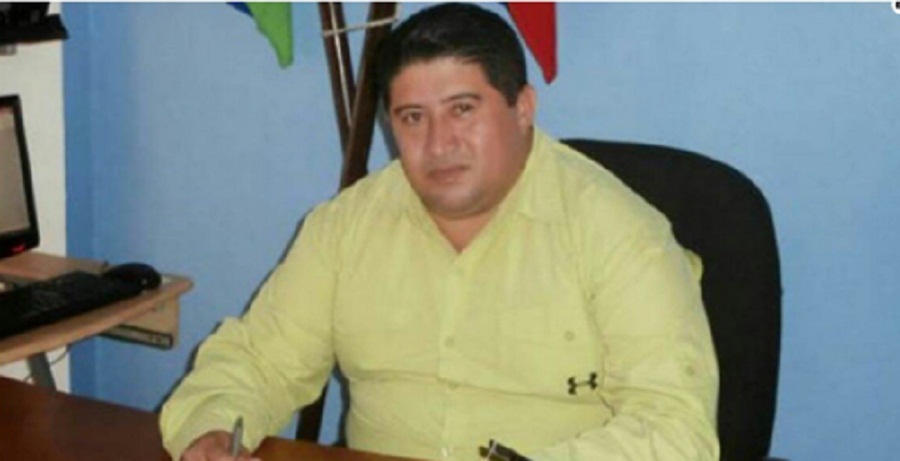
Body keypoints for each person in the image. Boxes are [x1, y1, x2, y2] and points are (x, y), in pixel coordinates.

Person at [160, 3, 719, 461]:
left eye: (463, 109)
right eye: (413, 117)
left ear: (523, 108)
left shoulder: (619, 233)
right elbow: (261, 360)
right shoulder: (347, 226)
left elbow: (674, 431)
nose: (439, 143)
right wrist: (211, 430)